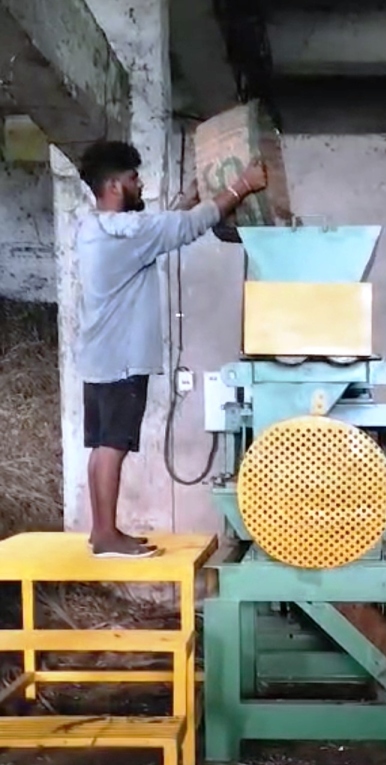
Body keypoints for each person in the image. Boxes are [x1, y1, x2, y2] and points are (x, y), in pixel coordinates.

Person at [77, 140, 267, 558]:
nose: (139, 183)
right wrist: (242, 186)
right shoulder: (128, 232)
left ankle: (100, 531)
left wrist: (187, 199)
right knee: (114, 445)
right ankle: (107, 536)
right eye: (132, 178)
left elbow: (161, 227)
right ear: (113, 185)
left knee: (102, 445)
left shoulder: (95, 228)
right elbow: (181, 229)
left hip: (99, 356)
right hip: (122, 358)